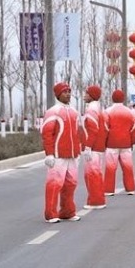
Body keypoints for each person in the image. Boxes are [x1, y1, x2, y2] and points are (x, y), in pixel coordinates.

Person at [40, 82, 82, 223]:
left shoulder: (75, 112)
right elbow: (47, 133)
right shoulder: (53, 111)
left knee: (71, 184)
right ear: (58, 94)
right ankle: (51, 214)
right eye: (65, 92)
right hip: (58, 155)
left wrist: (79, 150)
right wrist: (49, 153)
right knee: (55, 184)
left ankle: (67, 212)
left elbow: (79, 133)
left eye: (69, 91)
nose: (68, 94)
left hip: (73, 155)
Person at [104, 89, 135, 196]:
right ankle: (130, 189)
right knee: (128, 167)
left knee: (110, 168)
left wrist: (104, 143)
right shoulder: (130, 112)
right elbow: (133, 129)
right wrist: (133, 142)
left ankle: (109, 190)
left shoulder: (107, 111)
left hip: (112, 144)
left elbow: (105, 129)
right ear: (123, 99)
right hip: (126, 144)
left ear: (112, 98)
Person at [82, 85, 107, 209]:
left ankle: (96, 202)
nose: (84, 96)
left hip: (94, 147)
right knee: (95, 174)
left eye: (87, 93)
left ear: (92, 96)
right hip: (98, 146)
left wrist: (88, 146)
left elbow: (93, 129)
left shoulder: (92, 109)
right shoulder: (98, 108)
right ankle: (98, 199)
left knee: (92, 175)